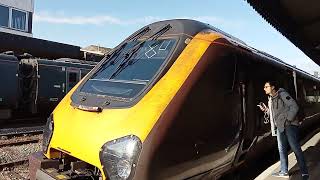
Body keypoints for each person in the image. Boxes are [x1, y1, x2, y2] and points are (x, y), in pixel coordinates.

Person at [259, 81, 309, 179]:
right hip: (280, 127)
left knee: (295, 148)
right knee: (281, 150)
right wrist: (266, 110)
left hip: (289, 126)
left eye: (266, 86)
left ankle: (304, 172)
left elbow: (294, 106)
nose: (264, 88)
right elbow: (275, 114)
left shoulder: (282, 94)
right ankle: (284, 171)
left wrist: (288, 120)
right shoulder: (271, 99)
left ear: (273, 87)